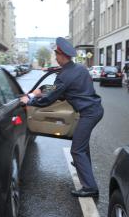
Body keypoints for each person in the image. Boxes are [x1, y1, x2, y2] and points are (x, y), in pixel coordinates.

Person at [20, 37, 104, 198]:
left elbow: (48, 99)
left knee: (77, 149)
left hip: (89, 113)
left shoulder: (65, 76)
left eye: (56, 54)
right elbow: (59, 88)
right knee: (82, 146)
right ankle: (83, 167)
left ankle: (90, 187)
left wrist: (29, 100)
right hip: (95, 109)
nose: (56, 57)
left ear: (62, 55)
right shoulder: (79, 68)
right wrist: (44, 86)